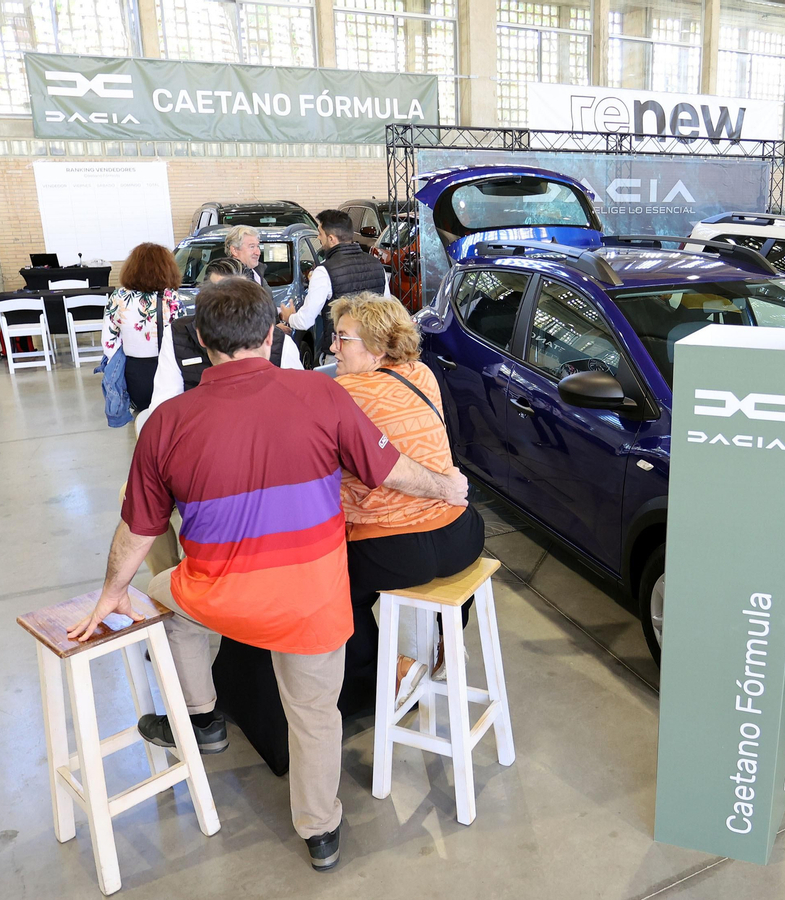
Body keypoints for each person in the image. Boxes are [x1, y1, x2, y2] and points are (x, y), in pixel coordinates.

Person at [67, 277, 470, 872]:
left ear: (200, 337)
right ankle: (321, 830)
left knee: (164, 600)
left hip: (218, 596)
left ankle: (202, 719)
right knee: (313, 712)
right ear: (272, 331)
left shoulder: (165, 423)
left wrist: (110, 594)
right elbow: (390, 470)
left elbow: (140, 528)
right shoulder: (325, 395)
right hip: (311, 603)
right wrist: (448, 488)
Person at [332, 293, 485, 712]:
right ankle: (439, 641)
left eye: (342, 338)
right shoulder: (422, 374)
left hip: (393, 549)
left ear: (377, 346)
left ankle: (385, 676)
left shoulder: (343, 394)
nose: (332, 347)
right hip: (461, 534)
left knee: (336, 592)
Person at [144, 257, 304, 423]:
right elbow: (164, 406)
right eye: (219, 298)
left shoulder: (280, 343)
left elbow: (297, 405)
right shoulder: (179, 334)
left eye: (239, 297)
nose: (229, 307)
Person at [278, 209, 386, 339]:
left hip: (340, 350)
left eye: (320, 233)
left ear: (331, 239)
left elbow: (304, 321)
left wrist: (289, 317)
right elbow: (386, 310)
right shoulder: (377, 264)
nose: (318, 237)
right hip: (374, 349)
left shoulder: (324, 271)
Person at [103, 242, 181, 411]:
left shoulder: (118, 296)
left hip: (133, 369)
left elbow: (109, 341)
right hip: (166, 365)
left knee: (142, 416)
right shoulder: (171, 297)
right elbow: (179, 335)